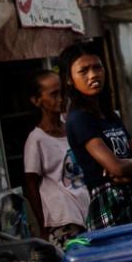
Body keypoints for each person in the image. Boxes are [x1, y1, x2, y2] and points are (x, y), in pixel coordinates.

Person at [61, 42, 132, 227]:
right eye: (83, 71)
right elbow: (118, 166)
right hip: (110, 207)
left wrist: (131, 171)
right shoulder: (79, 119)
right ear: (69, 79)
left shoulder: (110, 116)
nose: (93, 75)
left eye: (97, 67)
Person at [23, 69, 90, 247]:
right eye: (53, 94)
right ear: (37, 101)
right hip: (62, 217)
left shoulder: (72, 126)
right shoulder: (36, 139)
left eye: (62, 92)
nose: (60, 99)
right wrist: (42, 225)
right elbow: (31, 184)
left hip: (86, 207)